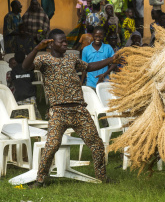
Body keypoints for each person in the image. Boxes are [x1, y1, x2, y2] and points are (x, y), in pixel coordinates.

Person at [23, 29, 117, 187]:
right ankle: (40, 180)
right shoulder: (44, 59)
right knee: (52, 145)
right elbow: (26, 67)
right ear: (52, 44)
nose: (66, 43)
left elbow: (90, 66)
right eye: (62, 41)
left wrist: (111, 59)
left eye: (66, 40)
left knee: (96, 144)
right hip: (58, 111)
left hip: (79, 110)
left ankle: (102, 177)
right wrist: (36, 49)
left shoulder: (72, 58)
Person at [9, 51, 41, 119]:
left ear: (15, 59)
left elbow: (11, 81)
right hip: (30, 95)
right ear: (25, 58)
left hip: (18, 96)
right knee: (33, 114)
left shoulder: (13, 71)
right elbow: (33, 78)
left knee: (20, 114)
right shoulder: (29, 69)